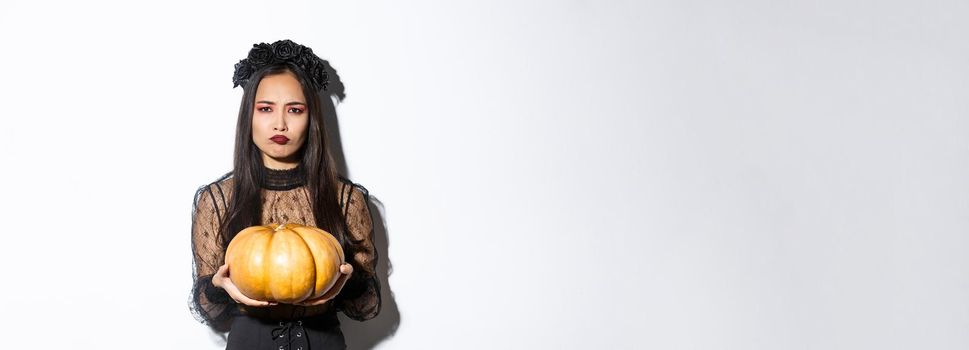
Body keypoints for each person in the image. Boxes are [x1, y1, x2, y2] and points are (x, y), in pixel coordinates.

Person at [189, 39, 381, 350]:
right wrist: (216, 286)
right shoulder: (217, 199)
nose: (280, 123)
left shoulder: (346, 198)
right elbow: (208, 308)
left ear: (311, 119)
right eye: (265, 109)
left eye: (294, 109)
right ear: (248, 117)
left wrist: (349, 278)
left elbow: (367, 307)